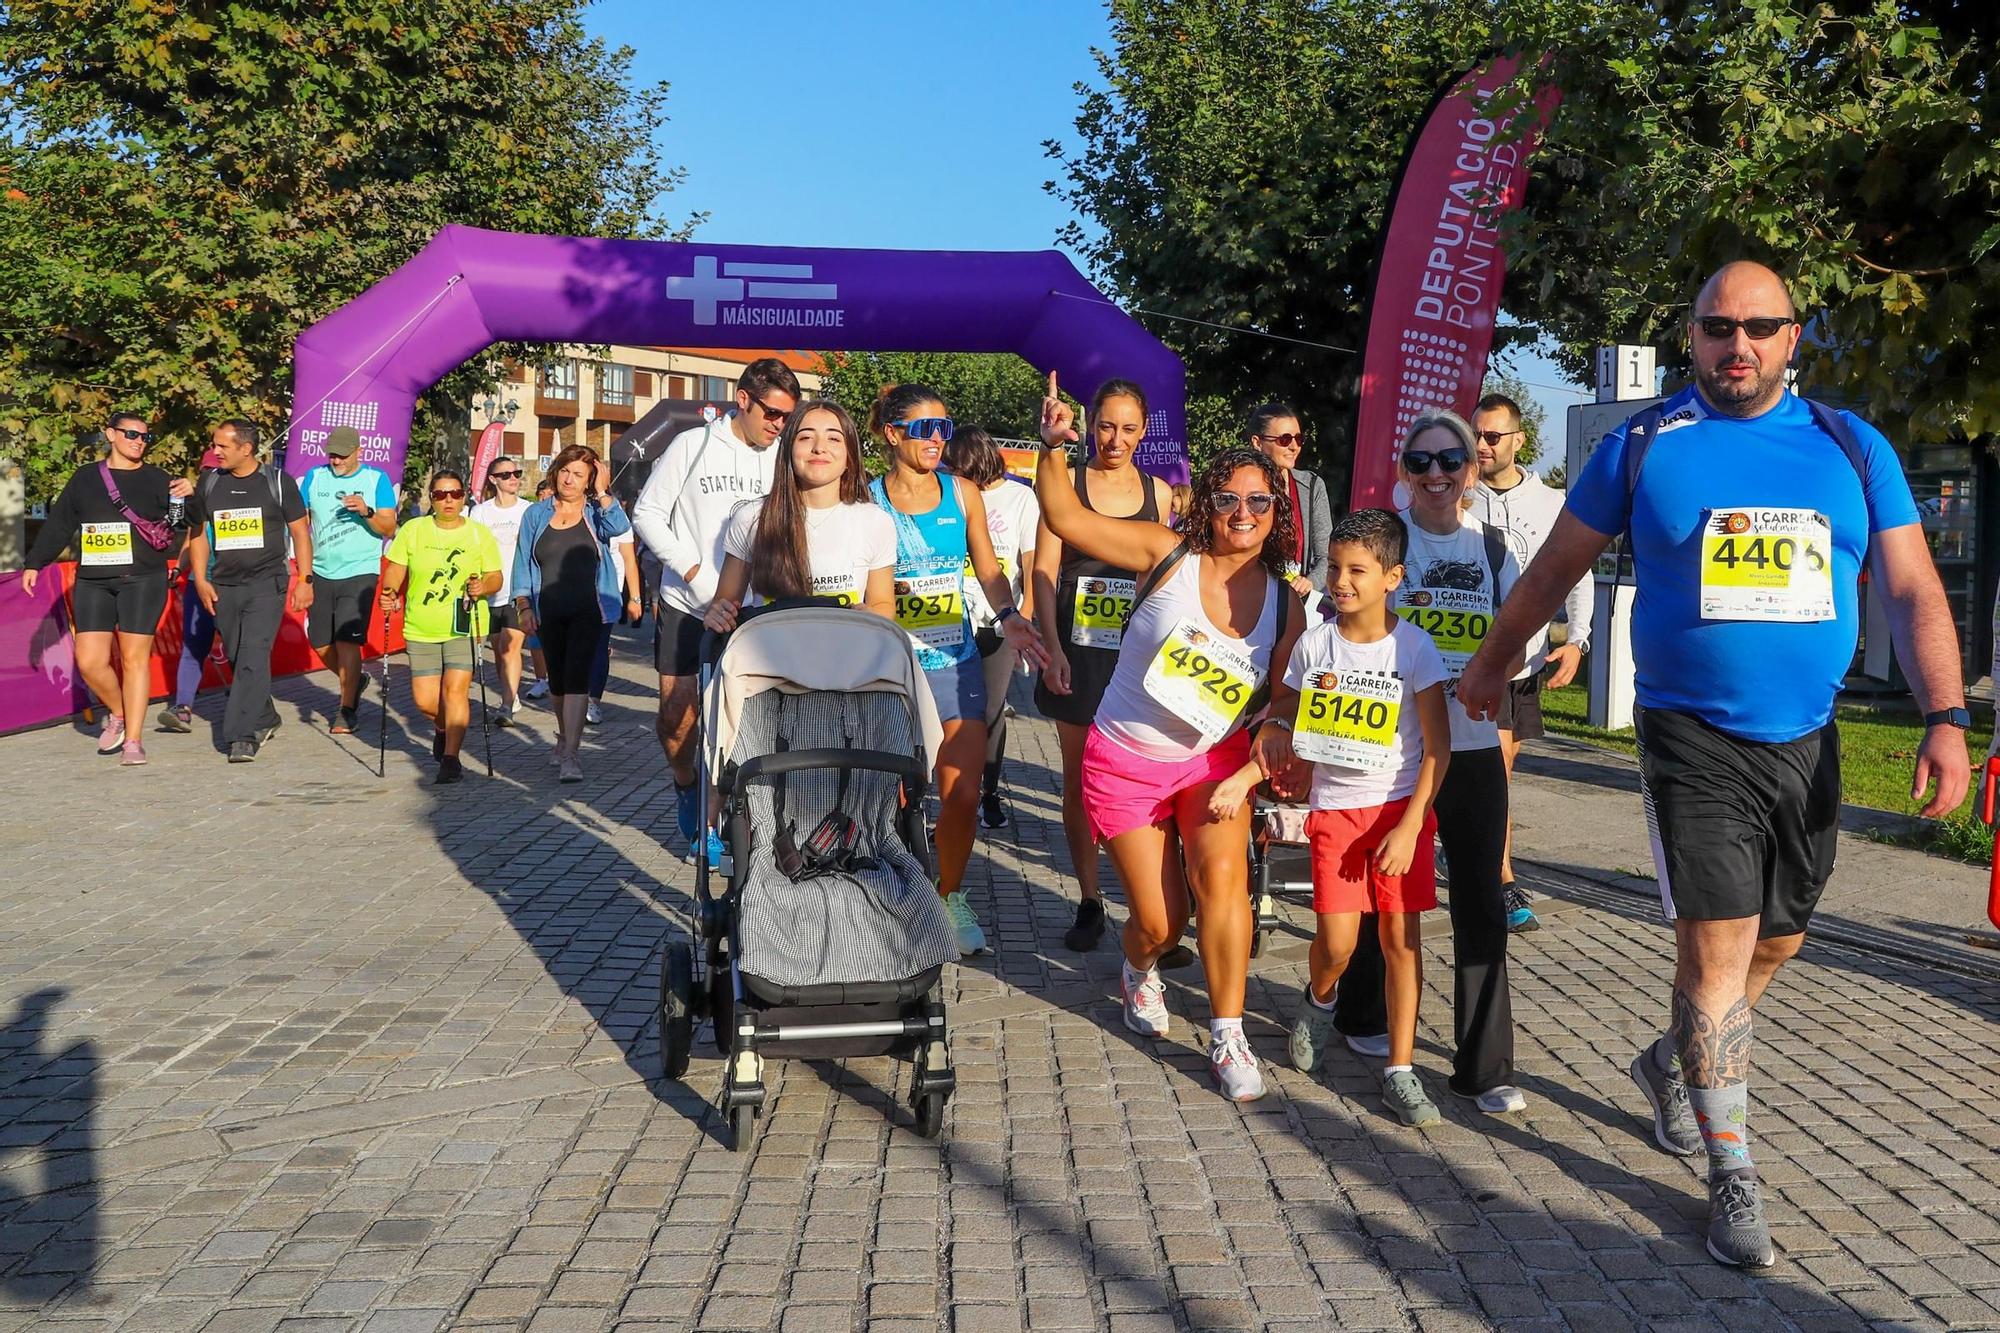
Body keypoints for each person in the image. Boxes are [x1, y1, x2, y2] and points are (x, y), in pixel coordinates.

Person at [1460, 260, 1969, 1270]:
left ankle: (1670, 1063)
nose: (1735, 345)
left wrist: (1944, 716)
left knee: (1775, 940)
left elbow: (1909, 590)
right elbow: (1555, 563)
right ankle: (1728, 1163)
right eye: (1714, 328)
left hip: (1806, 736)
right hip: (1687, 731)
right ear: (1688, 335)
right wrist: (1490, 658)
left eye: (1757, 328)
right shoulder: (1643, 443)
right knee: (1715, 950)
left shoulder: (1848, 444)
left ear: (1791, 339)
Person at [1037, 373, 1305, 1103]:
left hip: (1212, 763)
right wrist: (1054, 445)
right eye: (1228, 498)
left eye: (1259, 501)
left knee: (1223, 886)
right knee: (1159, 921)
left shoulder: (1286, 603)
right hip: (1125, 758)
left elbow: (1283, 689)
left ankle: (1227, 1030)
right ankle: (1138, 968)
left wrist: (1277, 723)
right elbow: (1062, 514)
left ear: (1275, 509)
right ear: (1206, 503)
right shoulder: (1165, 554)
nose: (1243, 513)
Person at [1210, 508, 1451, 1125]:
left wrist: (1410, 823)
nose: (1341, 582)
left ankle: (1401, 1069)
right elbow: (1285, 714)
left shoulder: (1414, 647)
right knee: (1338, 945)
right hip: (1336, 811)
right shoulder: (1316, 643)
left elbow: (1439, 749)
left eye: (1358, 571)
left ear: (1393, 576)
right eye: (1335, 568)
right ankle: (1320, 1000)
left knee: (1402, 942)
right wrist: (1269, 754)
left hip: (1399, 811)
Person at [871, 383, 1049, 955]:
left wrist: (1011, 616)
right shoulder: (866, 499)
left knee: (964, 793)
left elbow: (989, 568)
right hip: (891, 665)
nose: (935, 439)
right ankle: (893, 895)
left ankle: (948, 895)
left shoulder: (963, 492)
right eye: (923, 429)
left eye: (943, 428)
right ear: (893, 434)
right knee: (897, 795)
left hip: (955, 658)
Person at [633, 359, 802, 857]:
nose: (779, 426)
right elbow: (647, 514)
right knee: (677, 719)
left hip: (754, 610)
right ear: (743, 398)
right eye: (772, 414)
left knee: (747, 723)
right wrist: (699, 578)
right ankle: (687, 784)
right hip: (689, 603)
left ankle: (728, 817)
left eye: (787, 418)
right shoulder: (694, 444)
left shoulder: (781, 457)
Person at [1031, 379, 1175, 951]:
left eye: (1128, 428)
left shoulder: (1158, 493)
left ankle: (1150, 910)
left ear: (1144, 432)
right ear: (1091, 426)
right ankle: (1090, 900)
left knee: (1139, 780)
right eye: (1106, 426)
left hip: (1133, 658)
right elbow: (1044, 571)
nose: (1115, 439)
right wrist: (1053, 646)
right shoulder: (1064, 485)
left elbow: (1161, 581)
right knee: (1079, 781)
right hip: (1078, 649)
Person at [1466, 392, 1593, 932]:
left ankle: (1481, 862)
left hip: (1521, 661)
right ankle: (1499, 878)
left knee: (1496, 772)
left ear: (1520, 440)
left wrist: (1578, 640)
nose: (1482, 445)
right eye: (1476, 434)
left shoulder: (1551, 502)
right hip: (1461, 658)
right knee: (1485, 772)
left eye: (1493, 436)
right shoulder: (1457, 496)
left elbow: (1577, 572)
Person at [22, 409, 192, 765]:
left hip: (142, 580)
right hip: (94, 581)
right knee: (90, 661)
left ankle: (133, 740)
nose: (139, 442)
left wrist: (189, 494)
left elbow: (187, 521)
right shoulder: (85, 479)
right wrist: (36, 562)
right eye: (131, 434)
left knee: (134, 660)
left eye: (145, 437)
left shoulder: (158, 479)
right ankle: (118, 712)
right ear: (110, 434)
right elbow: (59, 523)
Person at [703, 401, 895, 632]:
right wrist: (717, 615)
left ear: (850, 457)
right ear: (788, 451)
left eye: (833, 438)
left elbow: (883, 604)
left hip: (847, 658)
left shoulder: (875, 521)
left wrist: (870, 616)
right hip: (769, 661)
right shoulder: (752, 517)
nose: (819, 448)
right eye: (805, 438)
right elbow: (724, 604)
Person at [183, 421, 313, 763]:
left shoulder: (277, 483)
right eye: (215, 445)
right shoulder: (210, 482)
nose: (216, 452)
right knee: (241, 657)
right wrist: (200, 578)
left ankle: (241, 735)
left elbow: (301, 533)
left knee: (253, 655)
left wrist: (305, 579)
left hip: (266, 584)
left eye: (223, 446)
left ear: (246, 448)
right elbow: (197, 533)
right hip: (224, 585)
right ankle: (266, 716)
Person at [512, 445, 635, 783]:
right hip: (546, 607)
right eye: (566, 470)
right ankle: (565, 735)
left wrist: (604, 493)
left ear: (589, 480)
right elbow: (522, 562)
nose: (569, 478)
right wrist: (523, 605)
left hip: (588, 608)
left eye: (579, 474)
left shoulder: (597, 513)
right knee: (558, 681)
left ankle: (571, 754)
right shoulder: (536, 515)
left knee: (578, 676)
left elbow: (621, 528)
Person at [944, 425, 1040, 830]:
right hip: (952, 617)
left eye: (955, 467)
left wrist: (1027, 615)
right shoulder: (951, 495)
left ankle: (989, 792)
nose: (949, 474)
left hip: (1001, 620)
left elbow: (1031, 562)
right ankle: (950, 797)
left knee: (991, 709)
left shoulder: (1020, 497)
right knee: (953, 710)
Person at [378, 470, 501, 784]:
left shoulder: (478, 534)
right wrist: (390, 592)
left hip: (464, 624)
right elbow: (395, 569)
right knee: (425, 701)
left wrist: (482, 586)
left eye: (455, 494)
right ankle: (443, 729)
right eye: (440, 494)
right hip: (421, 626)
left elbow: (495, 577)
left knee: (456, 692)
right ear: (430, 498)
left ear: (464, 497)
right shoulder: (414, 530)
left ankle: (451, 758)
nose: (448, 500)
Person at [300, 425, 398, 735]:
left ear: (359, 453)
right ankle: (355, 680)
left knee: (347, 640)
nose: (336, 461)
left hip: (360, 569)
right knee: (319, 641)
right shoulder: (315, 477)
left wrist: (366, 511)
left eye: (342, 456)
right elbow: (300, 521)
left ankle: (346, 709)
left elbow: (389, 527)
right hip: (322, 569)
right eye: (332, 455)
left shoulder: (375, 479)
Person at [158, 446, 227, 734]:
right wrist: (178, 569)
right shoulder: (197, 504)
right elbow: (190, 540)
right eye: (205, 472)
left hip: (233, 585)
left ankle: (248, 703)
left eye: (214, 471)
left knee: (239, 647)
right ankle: (183, 707)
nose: (209, 477)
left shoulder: (238, 499)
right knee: (193, 645)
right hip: (200, 583)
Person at [1246, 403, 1334, 600]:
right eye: (1284, 439)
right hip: (1250, 599)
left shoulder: (1312, 486)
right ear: (1257, 442)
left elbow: (1327, 556)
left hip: (1298, 602)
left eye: (1299, 439)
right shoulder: (1240, 487)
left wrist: (1310, 582)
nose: (1294, 447)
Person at [471, 455, 531, 724]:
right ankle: (512, 693)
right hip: (490, 589)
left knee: (510, 647)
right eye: (506, 475)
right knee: (498, 649)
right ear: (493, 480)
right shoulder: (481, 512)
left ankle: (506, 705)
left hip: (518, 589)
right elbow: (474, 550)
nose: (513, 479)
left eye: (516, 473)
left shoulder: (528, 510)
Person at [586, 523, 644, 728]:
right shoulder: (575, 508)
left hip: (609, 591)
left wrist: (635, 597)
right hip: (577, 588)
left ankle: (593, 701)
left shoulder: (616, 516)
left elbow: (629, 558)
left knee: (599, 646)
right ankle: (574, 697)